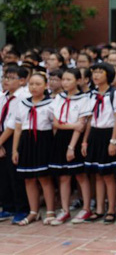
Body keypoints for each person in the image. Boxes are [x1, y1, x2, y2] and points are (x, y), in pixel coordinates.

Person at [11, 72, 56, 226]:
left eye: (38, 84)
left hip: (44, 141)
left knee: (44, 178)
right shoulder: (22, 103)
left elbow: (55, 127)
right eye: (31, 84)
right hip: (26, 142)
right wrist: (15, 150)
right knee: (28, 178)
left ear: (46, 86)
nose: (34, 87)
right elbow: (18, 128)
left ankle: (50, 211)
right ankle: (33, 211)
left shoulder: (51, 104)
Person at [49, 69, 92, 225]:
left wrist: (72, 147)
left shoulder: (84, 99)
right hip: (60, 137)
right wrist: (72, 125)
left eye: (69, 79)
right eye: (64, 79)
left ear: (78, 81)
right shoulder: (59, 98)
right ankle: (65, 210)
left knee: (80, 175)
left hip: (75, 139)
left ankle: (86, 208)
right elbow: (55, 123)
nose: (65, 82)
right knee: (63, 176)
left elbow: (82, 126)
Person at [84, 63, 116, 224]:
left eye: (100, 72)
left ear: (108, 75)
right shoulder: (91, 94)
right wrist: (85, 140)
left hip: (108, 134)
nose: (96, 75)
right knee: (97, 174)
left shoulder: (115, 94)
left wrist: (113, 141)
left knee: (108, 175)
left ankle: (111, 209)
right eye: (94, 72)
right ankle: (100, 209)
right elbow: (89, 119)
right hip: (94, 134)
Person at [0, 65, 29, 224]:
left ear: (22, 81)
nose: (6, 81)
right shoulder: (3, 96)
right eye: (5, 77)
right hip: (2, 137)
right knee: (3, 174)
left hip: (16, 137)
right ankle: (8, 207)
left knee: (15, 173)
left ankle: (22, 209)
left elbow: (12, 124)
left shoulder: (23, 96)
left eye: (11, 78)